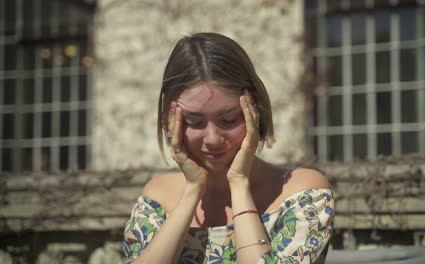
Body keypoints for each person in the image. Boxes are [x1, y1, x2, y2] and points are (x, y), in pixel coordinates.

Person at [123, 32, 334, 264]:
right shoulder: (158, 197)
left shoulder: (300, 193)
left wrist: (239, 184)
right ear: (169, 120)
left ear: (256, 112)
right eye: (194, 122)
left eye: (230, 119)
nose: (213, 138)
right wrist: (192, 191)